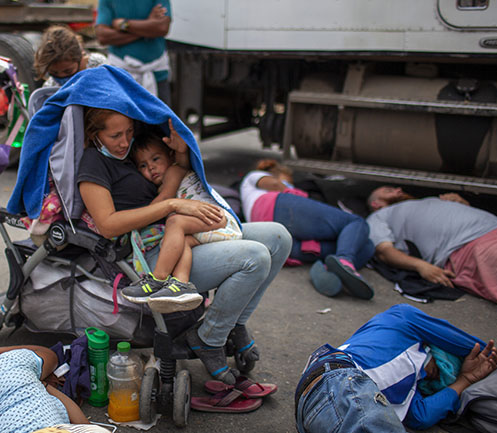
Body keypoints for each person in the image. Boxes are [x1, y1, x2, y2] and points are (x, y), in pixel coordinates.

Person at [77, 106, 291, 385]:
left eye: (129, 132)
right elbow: (107, 224)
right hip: (157, 251)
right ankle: (209, 339)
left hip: (182, 228)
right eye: (115, 136)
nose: (125, 142)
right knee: (256, 257)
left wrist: (179, 154)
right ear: (94, 134)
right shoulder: (93, 163)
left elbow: (173, 170)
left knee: (278, 237)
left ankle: (234, 324)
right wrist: (172, 205)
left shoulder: (131, 149)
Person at [295, 304, 497, 433]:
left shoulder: (408, 386)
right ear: (434, 347)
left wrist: (465, 380)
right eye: (444, 366)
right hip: (338, 380)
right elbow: (477, 347)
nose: (439, 375)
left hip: (316, 409)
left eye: (444, 379)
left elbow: (421, 416)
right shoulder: (402, 320)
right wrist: (485, 356)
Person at [121, 127, 242, 312]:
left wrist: (138, 219)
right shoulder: (166, 178)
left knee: (175, 222)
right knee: (179, 241)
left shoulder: (174, 171)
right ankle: (180, 286)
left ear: (170, 156)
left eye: (155, 159)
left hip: (219, 220)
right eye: (143, 166)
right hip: (211, 228)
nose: (151, 167)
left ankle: (158, 279)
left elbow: (165, 199)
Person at [367, 186, 497, 311]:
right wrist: (422, 266)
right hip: (469, 244)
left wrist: (460, 203)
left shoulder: (425, 201)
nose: (399, 189)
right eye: (389, 191)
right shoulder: (378, 217)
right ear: (376, 204)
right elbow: (385, 252)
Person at [239, 159, 375, 299]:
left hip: (279, 241)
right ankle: (344, 261)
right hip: (277, 208)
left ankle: (331, 270)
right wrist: (292, 190)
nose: (291, 185)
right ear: (276, 172)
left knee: (366, 247)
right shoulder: (253, 175)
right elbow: (274, 184)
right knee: (356, 222)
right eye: (288, 181)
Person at [94, 1, 172, 104]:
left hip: (156, 75)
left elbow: (162, 27)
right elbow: (103, 36)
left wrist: (123, 24)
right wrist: (148, 27)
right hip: (120, 77)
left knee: (162, 114)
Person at [34, 25, 107, 88]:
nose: (62, 76)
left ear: (81, 57)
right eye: (54, 73)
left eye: (68, 71)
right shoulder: (51, 85)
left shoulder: (99, 66)